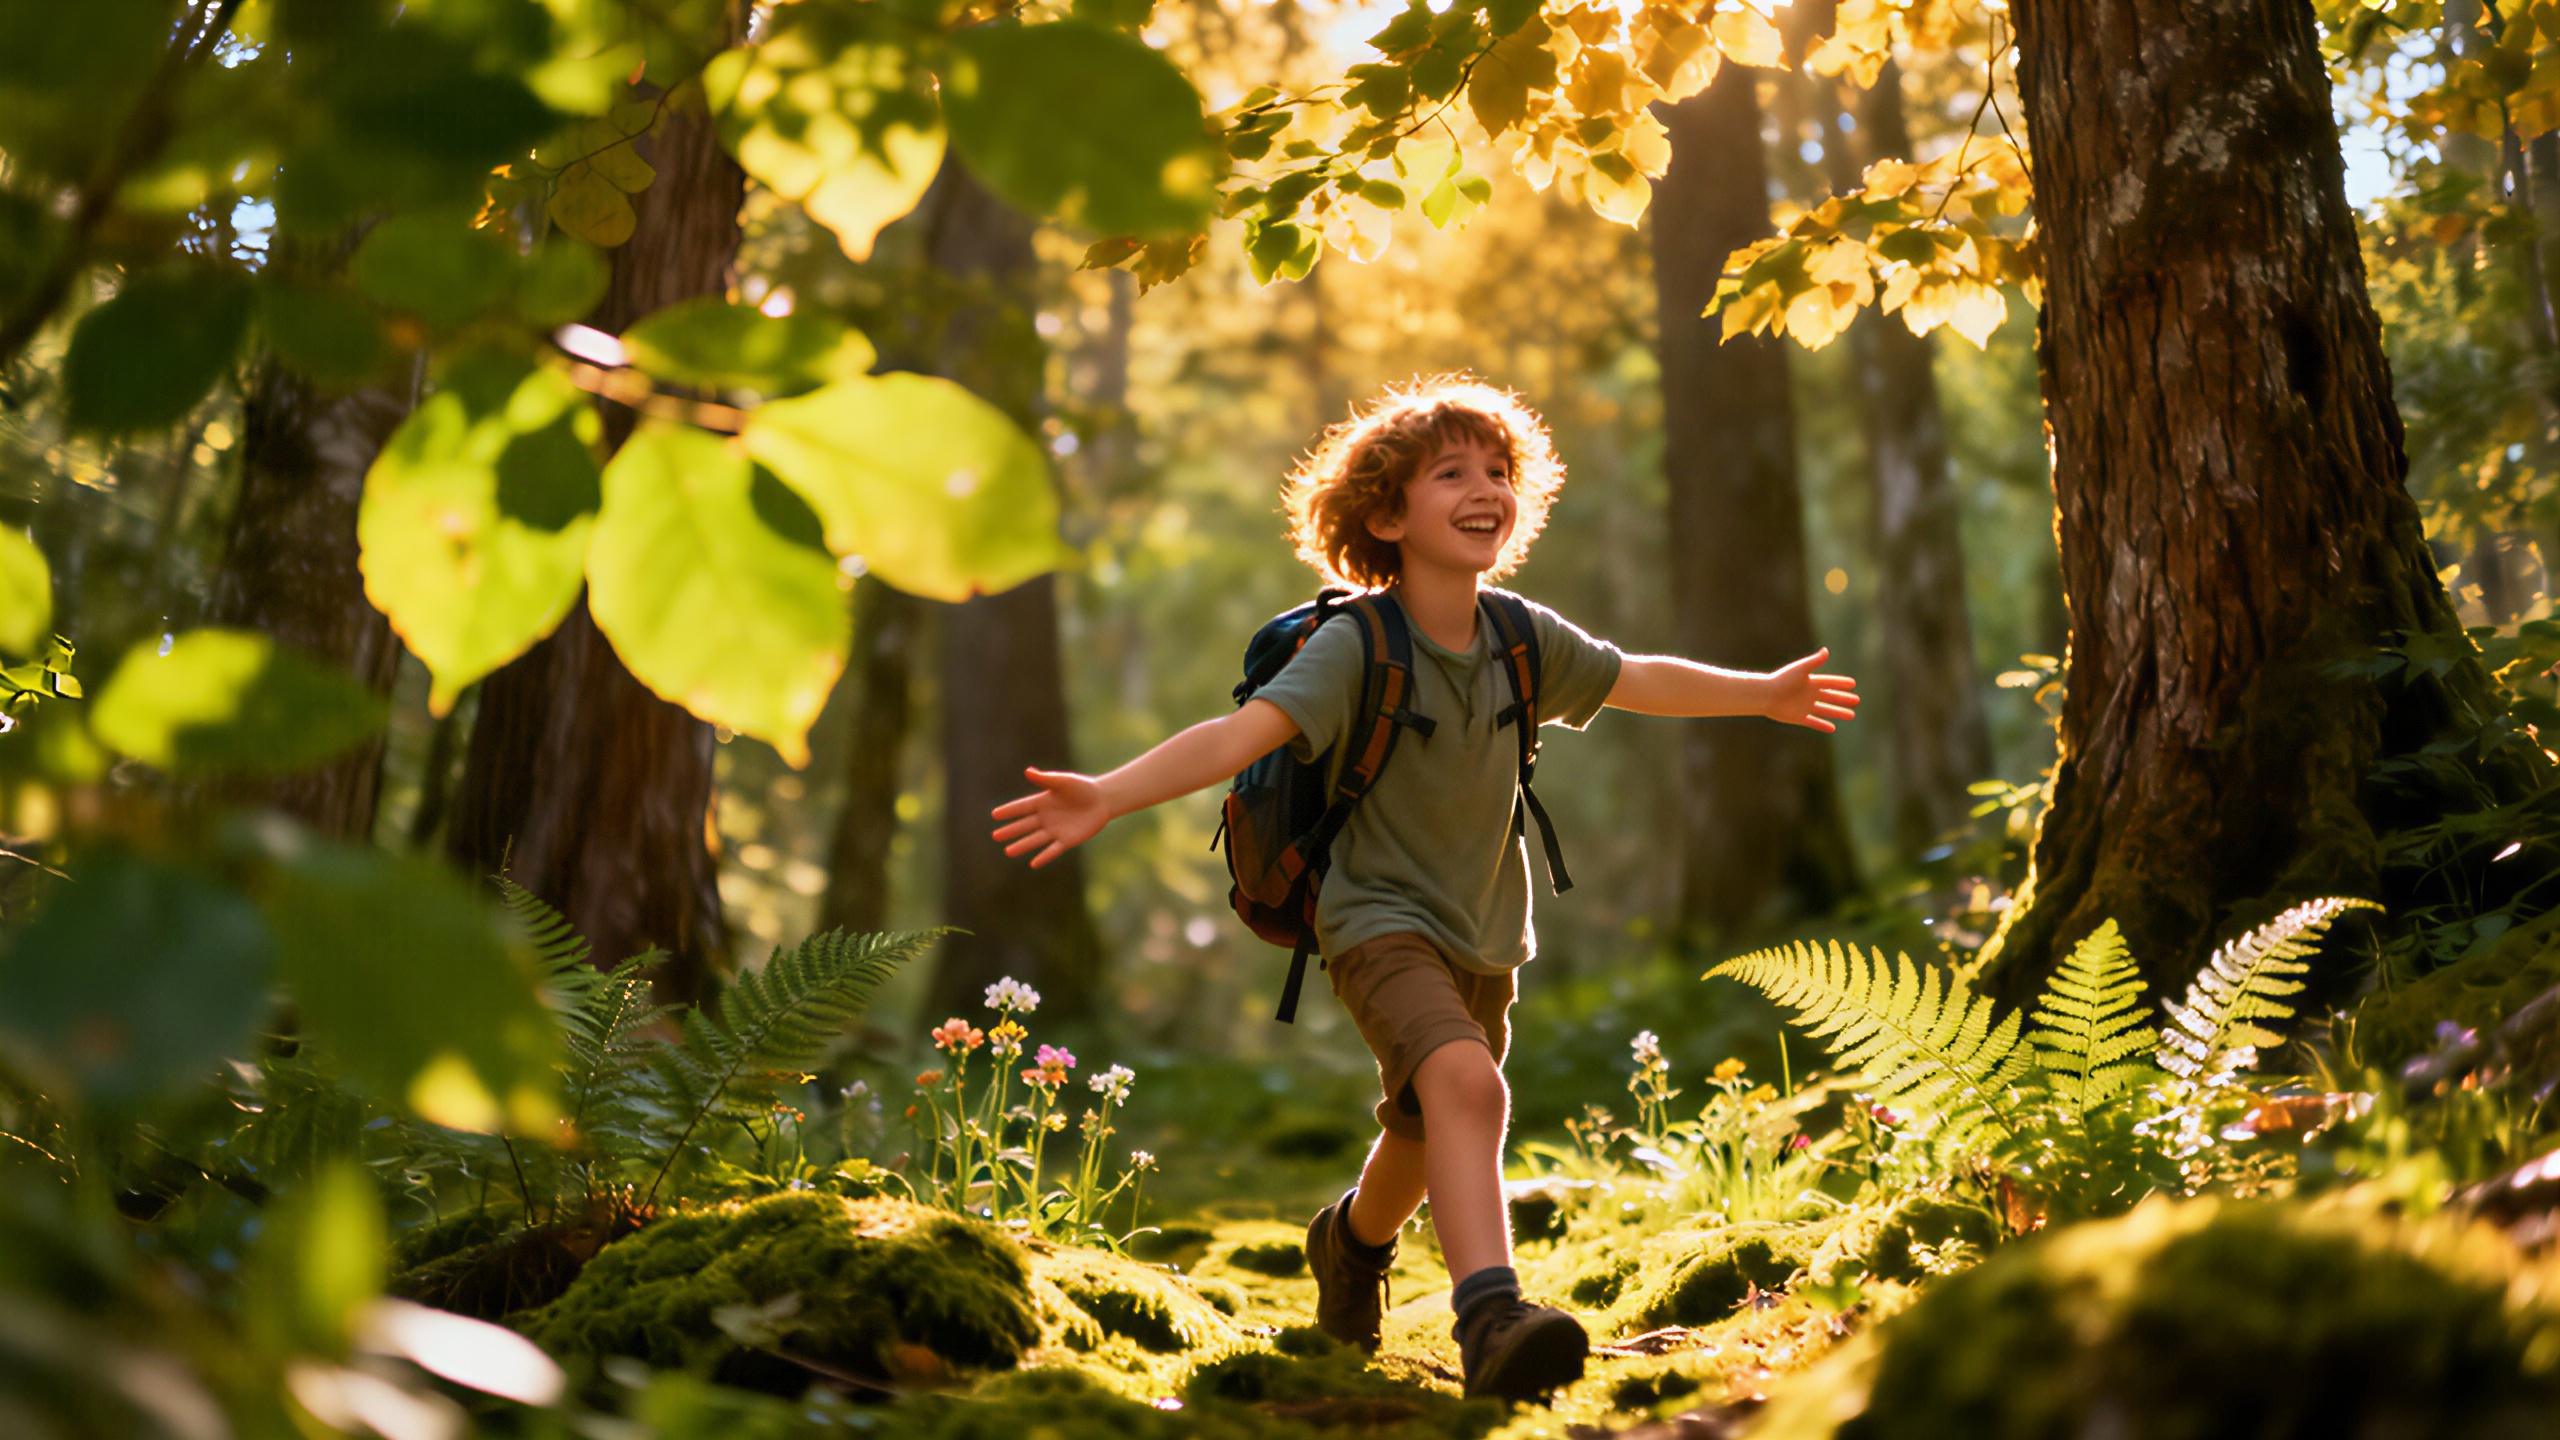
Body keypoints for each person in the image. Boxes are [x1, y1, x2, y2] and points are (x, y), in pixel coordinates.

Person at [989, 375, 1857, 1401]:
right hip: (1372, 920)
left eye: (1497, 472)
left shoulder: (1521, 636)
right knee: (1466, 1087)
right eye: (1450, 473)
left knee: (1418, 1121)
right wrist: (1107, 794)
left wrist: (1759, 693)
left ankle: (1348, 1249)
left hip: (1485, 928)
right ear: (1387, 516)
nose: (1483, 488)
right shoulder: (1357, 646)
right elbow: (1236, 737)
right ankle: (1490, 1317)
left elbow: (1632, 678)